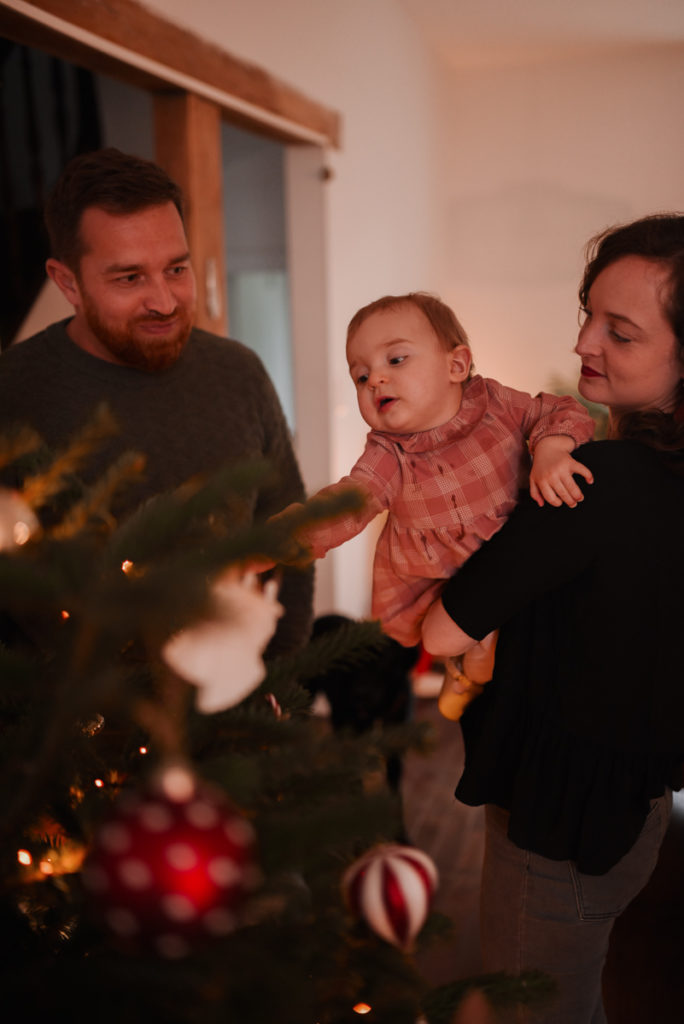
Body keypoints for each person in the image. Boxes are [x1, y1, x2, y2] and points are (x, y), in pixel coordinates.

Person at [421, 213, 684, 1023]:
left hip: (561, 826)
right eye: (588, 315)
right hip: (634, 812)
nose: (583, 345)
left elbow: (443, 630)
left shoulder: (601, 482)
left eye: (622, 333)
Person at [0, 147, 312, 656]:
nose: (164, 302)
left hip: (235, 716)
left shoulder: (239, 374)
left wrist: (275, 690)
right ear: (67, 283)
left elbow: (289, 540)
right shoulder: (12, 392)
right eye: (129, 277)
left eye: (176, 269)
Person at [265, 292, 595, 715]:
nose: (376, 380)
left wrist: (551, 447)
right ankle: (468, 668)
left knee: (542, 622)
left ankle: (479, 671)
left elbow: (557, 410)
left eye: (396, 360)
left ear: (456, 365)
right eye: (361, 376)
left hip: (514, 555)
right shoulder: (388, 452)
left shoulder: (494, 403)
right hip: (444, 582)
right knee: (445, 639)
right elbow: (350, 502)